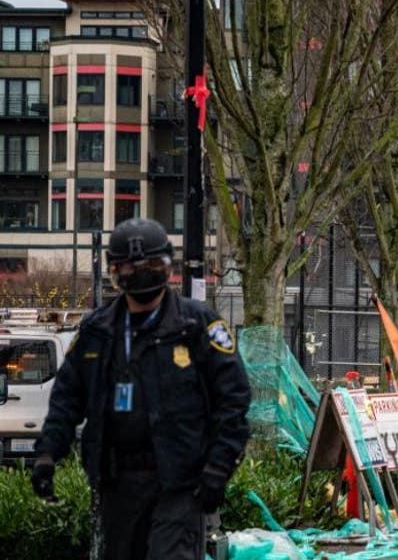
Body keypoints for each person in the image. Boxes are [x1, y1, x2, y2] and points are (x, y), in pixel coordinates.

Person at [33, 218, 251, 560]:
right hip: (117, 483)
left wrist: (219, 467)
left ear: (168, 266)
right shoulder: (98, 330)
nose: (141, 274)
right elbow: (68, 396)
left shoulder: (196, 326)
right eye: (130, 267)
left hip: (180, 483)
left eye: (152, 265)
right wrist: (48, 453)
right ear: (115, 272)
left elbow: (233, 400)